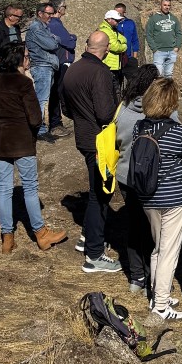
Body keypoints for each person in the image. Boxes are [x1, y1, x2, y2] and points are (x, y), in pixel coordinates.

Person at [0, 42, 67, 253]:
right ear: (18, 59)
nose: (29, 59)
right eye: (26, 56)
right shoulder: (24, 83)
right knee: (30, 187)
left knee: (4, 188)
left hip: (0, 140)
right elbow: (35, 117)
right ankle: (40, 233)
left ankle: (7, 237)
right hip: (21, 141)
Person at [62, 31, 120, 274]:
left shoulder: (72, 70)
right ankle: (94, 255)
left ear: (87, 45)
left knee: (97, 192)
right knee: (101, 194)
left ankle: (87, 237)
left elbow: (65, 109)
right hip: (100, 141)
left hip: (83, 136)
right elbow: (105, 113)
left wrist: (82, 118)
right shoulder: (100, 72)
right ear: (106, 49)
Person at [114, 65, 175, 293]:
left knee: (134, 227)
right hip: (151, 179)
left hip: (126, 177)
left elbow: (117, 140)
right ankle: (154, 278)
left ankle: (136, 277)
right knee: (154, 229)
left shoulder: (123, 109)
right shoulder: (163, 112)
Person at [134, 79, 182, 321]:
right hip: (175, 196)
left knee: (158, 248)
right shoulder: (178, 132)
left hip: (148, 196)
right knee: (169, 251)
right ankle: (160, 305)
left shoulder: (139, 128)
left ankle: (157, 294)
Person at [25, 2, 61, 140]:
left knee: (43, 98)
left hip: (46, 66)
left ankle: (41, 129)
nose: (51, 16)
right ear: (40, 13)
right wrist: (54, 39)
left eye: (52, 13)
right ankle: (39, 131)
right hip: (42, 66)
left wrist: (54, 39)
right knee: (41, 99)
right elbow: (52, 44)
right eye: (49, 13)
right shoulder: (36, 28)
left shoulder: (43, 27)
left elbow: (55, 41)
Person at [47, 0, 76, 134]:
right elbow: (70, 42)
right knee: (58, 93)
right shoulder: (55, 24)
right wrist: (73, 37)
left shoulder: (55, 23)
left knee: (57, 92)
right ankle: (55, 124)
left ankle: (57, 122)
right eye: (65, 6)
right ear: (59, 9)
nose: (66, 8)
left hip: (59, 61)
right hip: (61, 62)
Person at [146, 0, 182, 79]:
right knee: (158, 75)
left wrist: (177, 47)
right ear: (161, 5)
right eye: (165, 5)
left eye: (169, 5)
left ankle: (167, 88)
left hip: (172, 51)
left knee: (169, 75)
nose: (167, 7)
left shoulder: (174, 19)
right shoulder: (153, 19)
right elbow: (148, 34)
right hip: (159, 51)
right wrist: (154, 48)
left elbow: (179, 33)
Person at [0, 5, 24, 72]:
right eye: (19, 17)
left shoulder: (16, 28)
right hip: (3, 65)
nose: (20, 19)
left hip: (16, 63)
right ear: (10, 16)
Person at [98, 10, 128, 92]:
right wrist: (124, 46)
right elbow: (115, 46)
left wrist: (120, 43)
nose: (118, 22)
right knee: (111, 91)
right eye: (116, 20)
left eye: (119, 20)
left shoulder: (113, 30)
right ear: (109, 19)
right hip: (108, 66)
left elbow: (124, 39)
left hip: (114, 66)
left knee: (115, 90)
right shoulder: (105, 30)